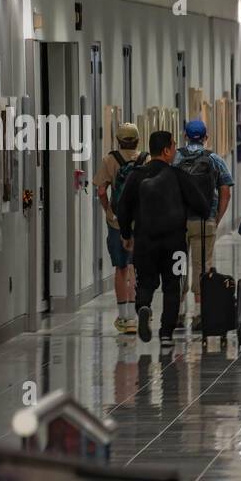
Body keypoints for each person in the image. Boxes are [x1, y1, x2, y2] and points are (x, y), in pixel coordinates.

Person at [118, 131, 212, 348]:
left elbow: (122, 208)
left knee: (146, 282)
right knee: (173, 287)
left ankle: (143, 307)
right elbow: (203, 207)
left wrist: (125, 234)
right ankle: (167, 334)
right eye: (173, 146)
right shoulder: (178, 176)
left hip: (144, 242)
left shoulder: (136, 175)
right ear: (167, 151)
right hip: (175, 243)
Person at [175, 120, 234, 331]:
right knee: (203, 267)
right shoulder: (214, 159)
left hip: (178, 223)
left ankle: (179, 314)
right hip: (205, 221)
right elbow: (226, 191)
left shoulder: (176, 158)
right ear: (206, 137)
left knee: (178, 266)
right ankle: (200, 315)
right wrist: (216, 219)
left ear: (185, 136)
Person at [93, 121, 146, 334]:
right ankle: (135, 316)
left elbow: (101, 191)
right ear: (137, 140)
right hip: (140, 222)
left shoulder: (109, 160)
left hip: (116, 221)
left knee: (121, 267)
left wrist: (109, 210)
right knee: (135, 266)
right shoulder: (146, 159)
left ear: (118, 140)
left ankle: (123, 318)